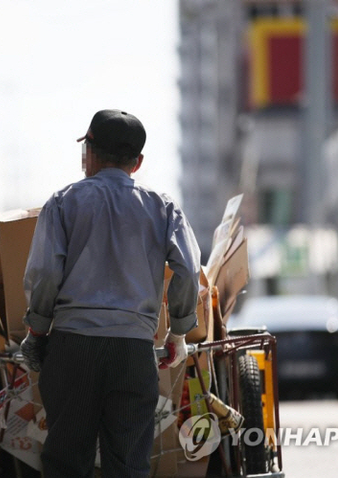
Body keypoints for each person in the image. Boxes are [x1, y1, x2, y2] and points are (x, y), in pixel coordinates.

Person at [20, 109, 202, 478]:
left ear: (89, 152)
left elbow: (44, 273)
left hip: (72, 349)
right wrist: (178, 333)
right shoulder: (163, 208)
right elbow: (188, 269)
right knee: (129, 465)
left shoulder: (63, 202)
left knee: (67, 463)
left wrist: (37, 331)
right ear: (137, 163)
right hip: (133, 352)